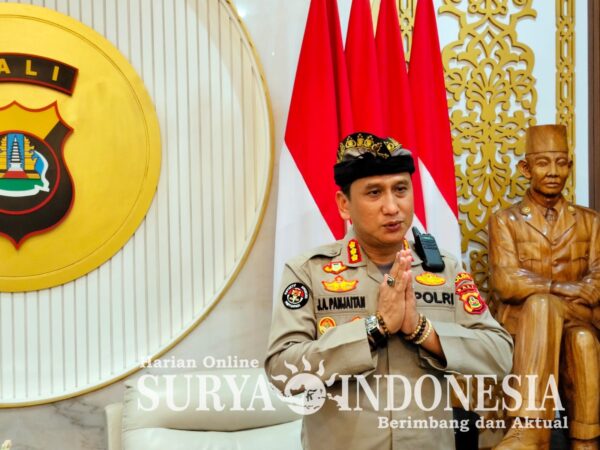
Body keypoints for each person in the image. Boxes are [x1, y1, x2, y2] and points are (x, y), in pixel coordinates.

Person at [265, 132, 513, 450]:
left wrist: (423, 331)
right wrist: (375, 328)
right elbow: (282, 371)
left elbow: (500, 355)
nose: (392, 207)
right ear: (344, 205)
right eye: (374, 193)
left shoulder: (445, 270)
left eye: (400, 189)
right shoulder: (308, 272)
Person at [488, 124, 600, 450]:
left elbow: (597, 279)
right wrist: (565, 289)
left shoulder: (590, 221)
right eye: (543, 163)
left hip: (578, 320)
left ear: (569, 166)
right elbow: (506, 282)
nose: (553, 171)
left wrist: (554, 292)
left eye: (561, 163)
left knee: (580, 335)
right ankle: (533, 427)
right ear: (526, 168)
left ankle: (582, 439)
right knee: (545, 308)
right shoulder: (505, 221)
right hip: (524, 326)